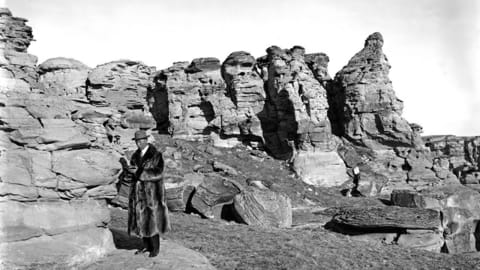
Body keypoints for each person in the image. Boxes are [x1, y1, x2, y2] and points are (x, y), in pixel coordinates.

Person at [125, 130, 170, 257]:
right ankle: (145, 246)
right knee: (140, 220)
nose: (139, 143)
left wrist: (139, 172)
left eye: (141, 140)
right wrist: (129, 172)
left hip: (152, 193)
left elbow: (158, 173)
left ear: (146, 140)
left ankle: (155, 248)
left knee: (152, 220)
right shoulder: (134, 156)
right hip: (138, 193)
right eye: (137, 141)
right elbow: (133, 174)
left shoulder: (156, 155)